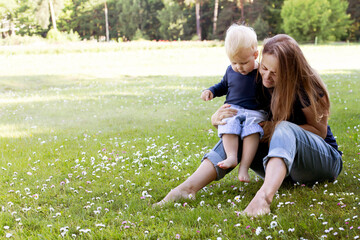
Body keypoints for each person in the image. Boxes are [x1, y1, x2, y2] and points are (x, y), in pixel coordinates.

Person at [154, 34, 342, 217]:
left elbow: (319, 132)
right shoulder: (259, 80)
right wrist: (218, 119)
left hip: (321, 163)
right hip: (284, 169)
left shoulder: (308, 89)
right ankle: (187, 188)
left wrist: (274, 127)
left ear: (290, 72)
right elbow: (242, 114)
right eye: (264, 68)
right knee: (247, 126)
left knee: (283, 127)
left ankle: (263, 199)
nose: (266, 77)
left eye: (275, 73)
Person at [201, 24, 267, 183]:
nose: (239, 67)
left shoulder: (262, 73)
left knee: (252, 132)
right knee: (228, 126)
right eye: (234, 62)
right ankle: (231, 156)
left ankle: (244, 167)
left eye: (243, 62)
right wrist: (211, 91)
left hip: (255, 111)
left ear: (255, 54)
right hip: (233, 109)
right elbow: (223, 85)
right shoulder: (230, 71)